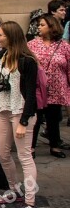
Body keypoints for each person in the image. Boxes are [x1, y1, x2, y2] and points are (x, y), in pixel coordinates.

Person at [0, 21, 40, 208]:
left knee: (25, 156)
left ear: (11, 37)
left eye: (0, 35)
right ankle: (14, 190)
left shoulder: (27, 60)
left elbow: (31, 93)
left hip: (21, 111)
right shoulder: (1, 56)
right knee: (1, 152)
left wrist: (24, 120)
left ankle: (30, 204)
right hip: (4, 109)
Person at [28, 14, 70, 158]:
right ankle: (31, 147)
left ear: (51, 27)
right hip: (38, 87)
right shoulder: (32, 44)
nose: (39, 27)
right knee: (36, 118)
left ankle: (55, 145)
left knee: (54, 118)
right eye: (39, 25)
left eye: (42, 25)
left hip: (57, 88)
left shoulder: (64, 45)